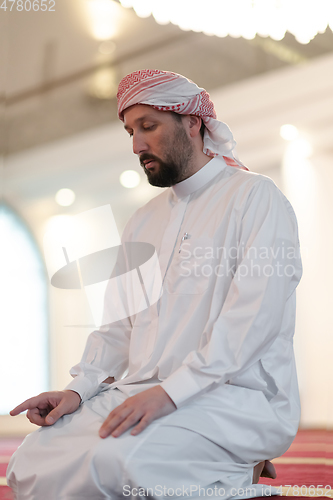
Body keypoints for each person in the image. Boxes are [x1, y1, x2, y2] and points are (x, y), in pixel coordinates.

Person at [7, 69, 302, 500]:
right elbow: (119, 326)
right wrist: (78, 389)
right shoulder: (143, 220)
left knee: (121, 465)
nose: (137, 145)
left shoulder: (255, 197)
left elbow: (253, 318)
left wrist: (172, 394)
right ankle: (209, 464)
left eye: (149, 126)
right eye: (130, 131)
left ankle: (239, 469)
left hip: (232, 398)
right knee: (32, 460)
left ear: (192, 122)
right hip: (145, 392)